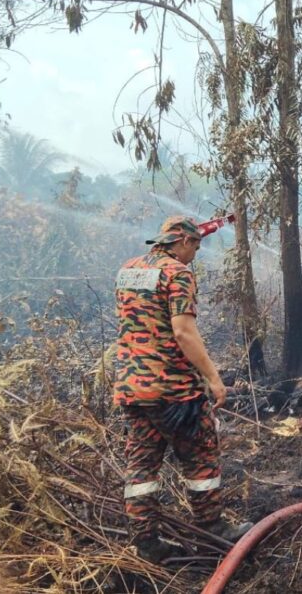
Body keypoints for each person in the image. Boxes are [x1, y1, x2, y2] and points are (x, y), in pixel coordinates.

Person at [113, 216, 250, 563]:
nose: (195, 254)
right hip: (173, 389)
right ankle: (212, 528)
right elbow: (183, 332)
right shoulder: (178, 273)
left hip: (133, 388)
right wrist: (214, 379)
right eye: (196, 247)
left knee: (142, 466)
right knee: (201, 453)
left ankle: (146, 542)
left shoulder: (128, 270)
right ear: (183, 242)